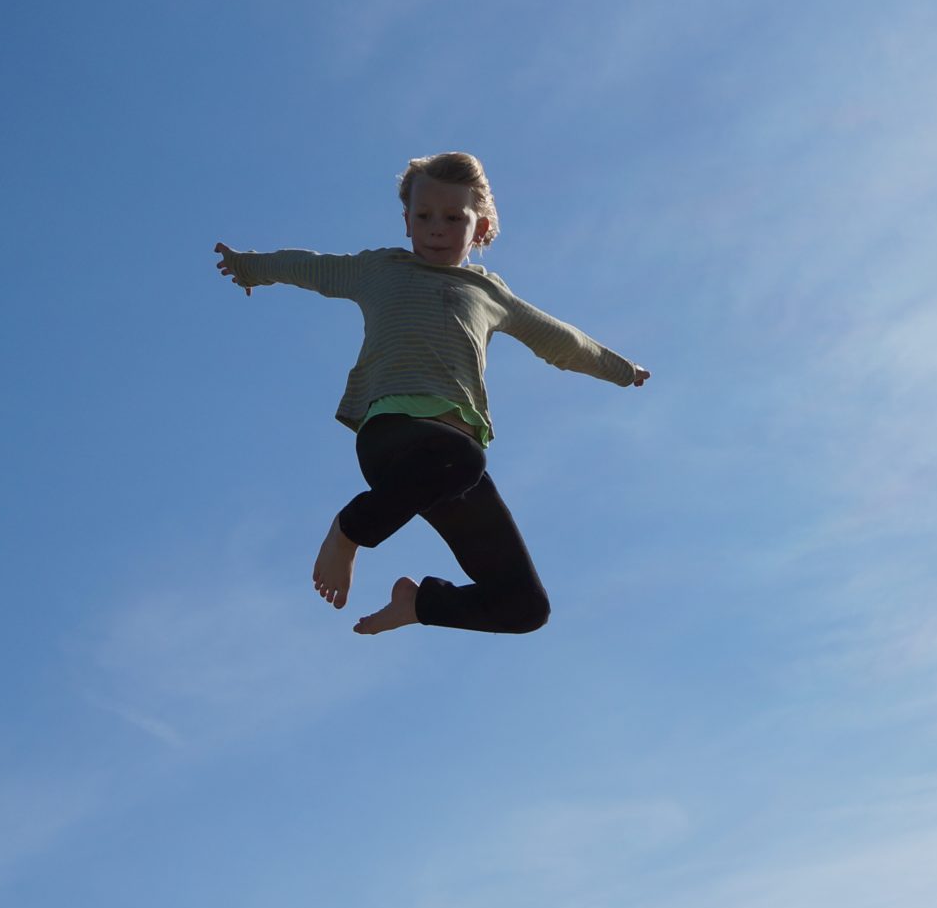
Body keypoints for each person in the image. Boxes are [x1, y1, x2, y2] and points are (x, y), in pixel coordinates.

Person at [214, 151, 650, 639]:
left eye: (452, 218)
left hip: (451, 466)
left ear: (480, 228)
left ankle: (420, 604)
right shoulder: (379, 269)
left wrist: (620, 369)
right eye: (423, 217)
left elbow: (560, 341)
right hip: (392, 436)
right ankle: (348, 530)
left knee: (524, 606)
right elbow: (310, 268)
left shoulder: (491, 294)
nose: (436, 228)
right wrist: (250, 267)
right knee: (463, 457)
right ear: (406, 221)